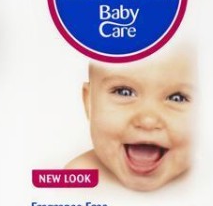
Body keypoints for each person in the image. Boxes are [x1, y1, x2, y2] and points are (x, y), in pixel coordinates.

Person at [65, 47, 195, 191]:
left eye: (177, 98)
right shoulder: (78, 179)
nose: (147, 121)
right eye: (124, 92)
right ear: (89, 103)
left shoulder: (206, 179)